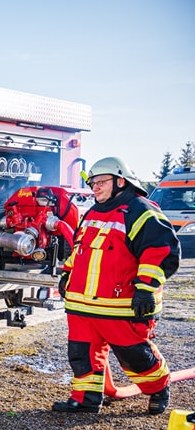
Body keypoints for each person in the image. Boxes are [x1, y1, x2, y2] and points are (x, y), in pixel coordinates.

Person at [53, 156, 180, 415]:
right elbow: (79, 249)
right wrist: (67, 274)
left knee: (135, 357)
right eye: (92, 184)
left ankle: (158, 388)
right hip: (82, 306)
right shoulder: (92, 212)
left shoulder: (141, 210)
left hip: (122, 306)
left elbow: (161, 252)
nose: (95, 188)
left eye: (101, 182)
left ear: (121, 181)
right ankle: (85, 399)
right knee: (82, 355)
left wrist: (145, 288)